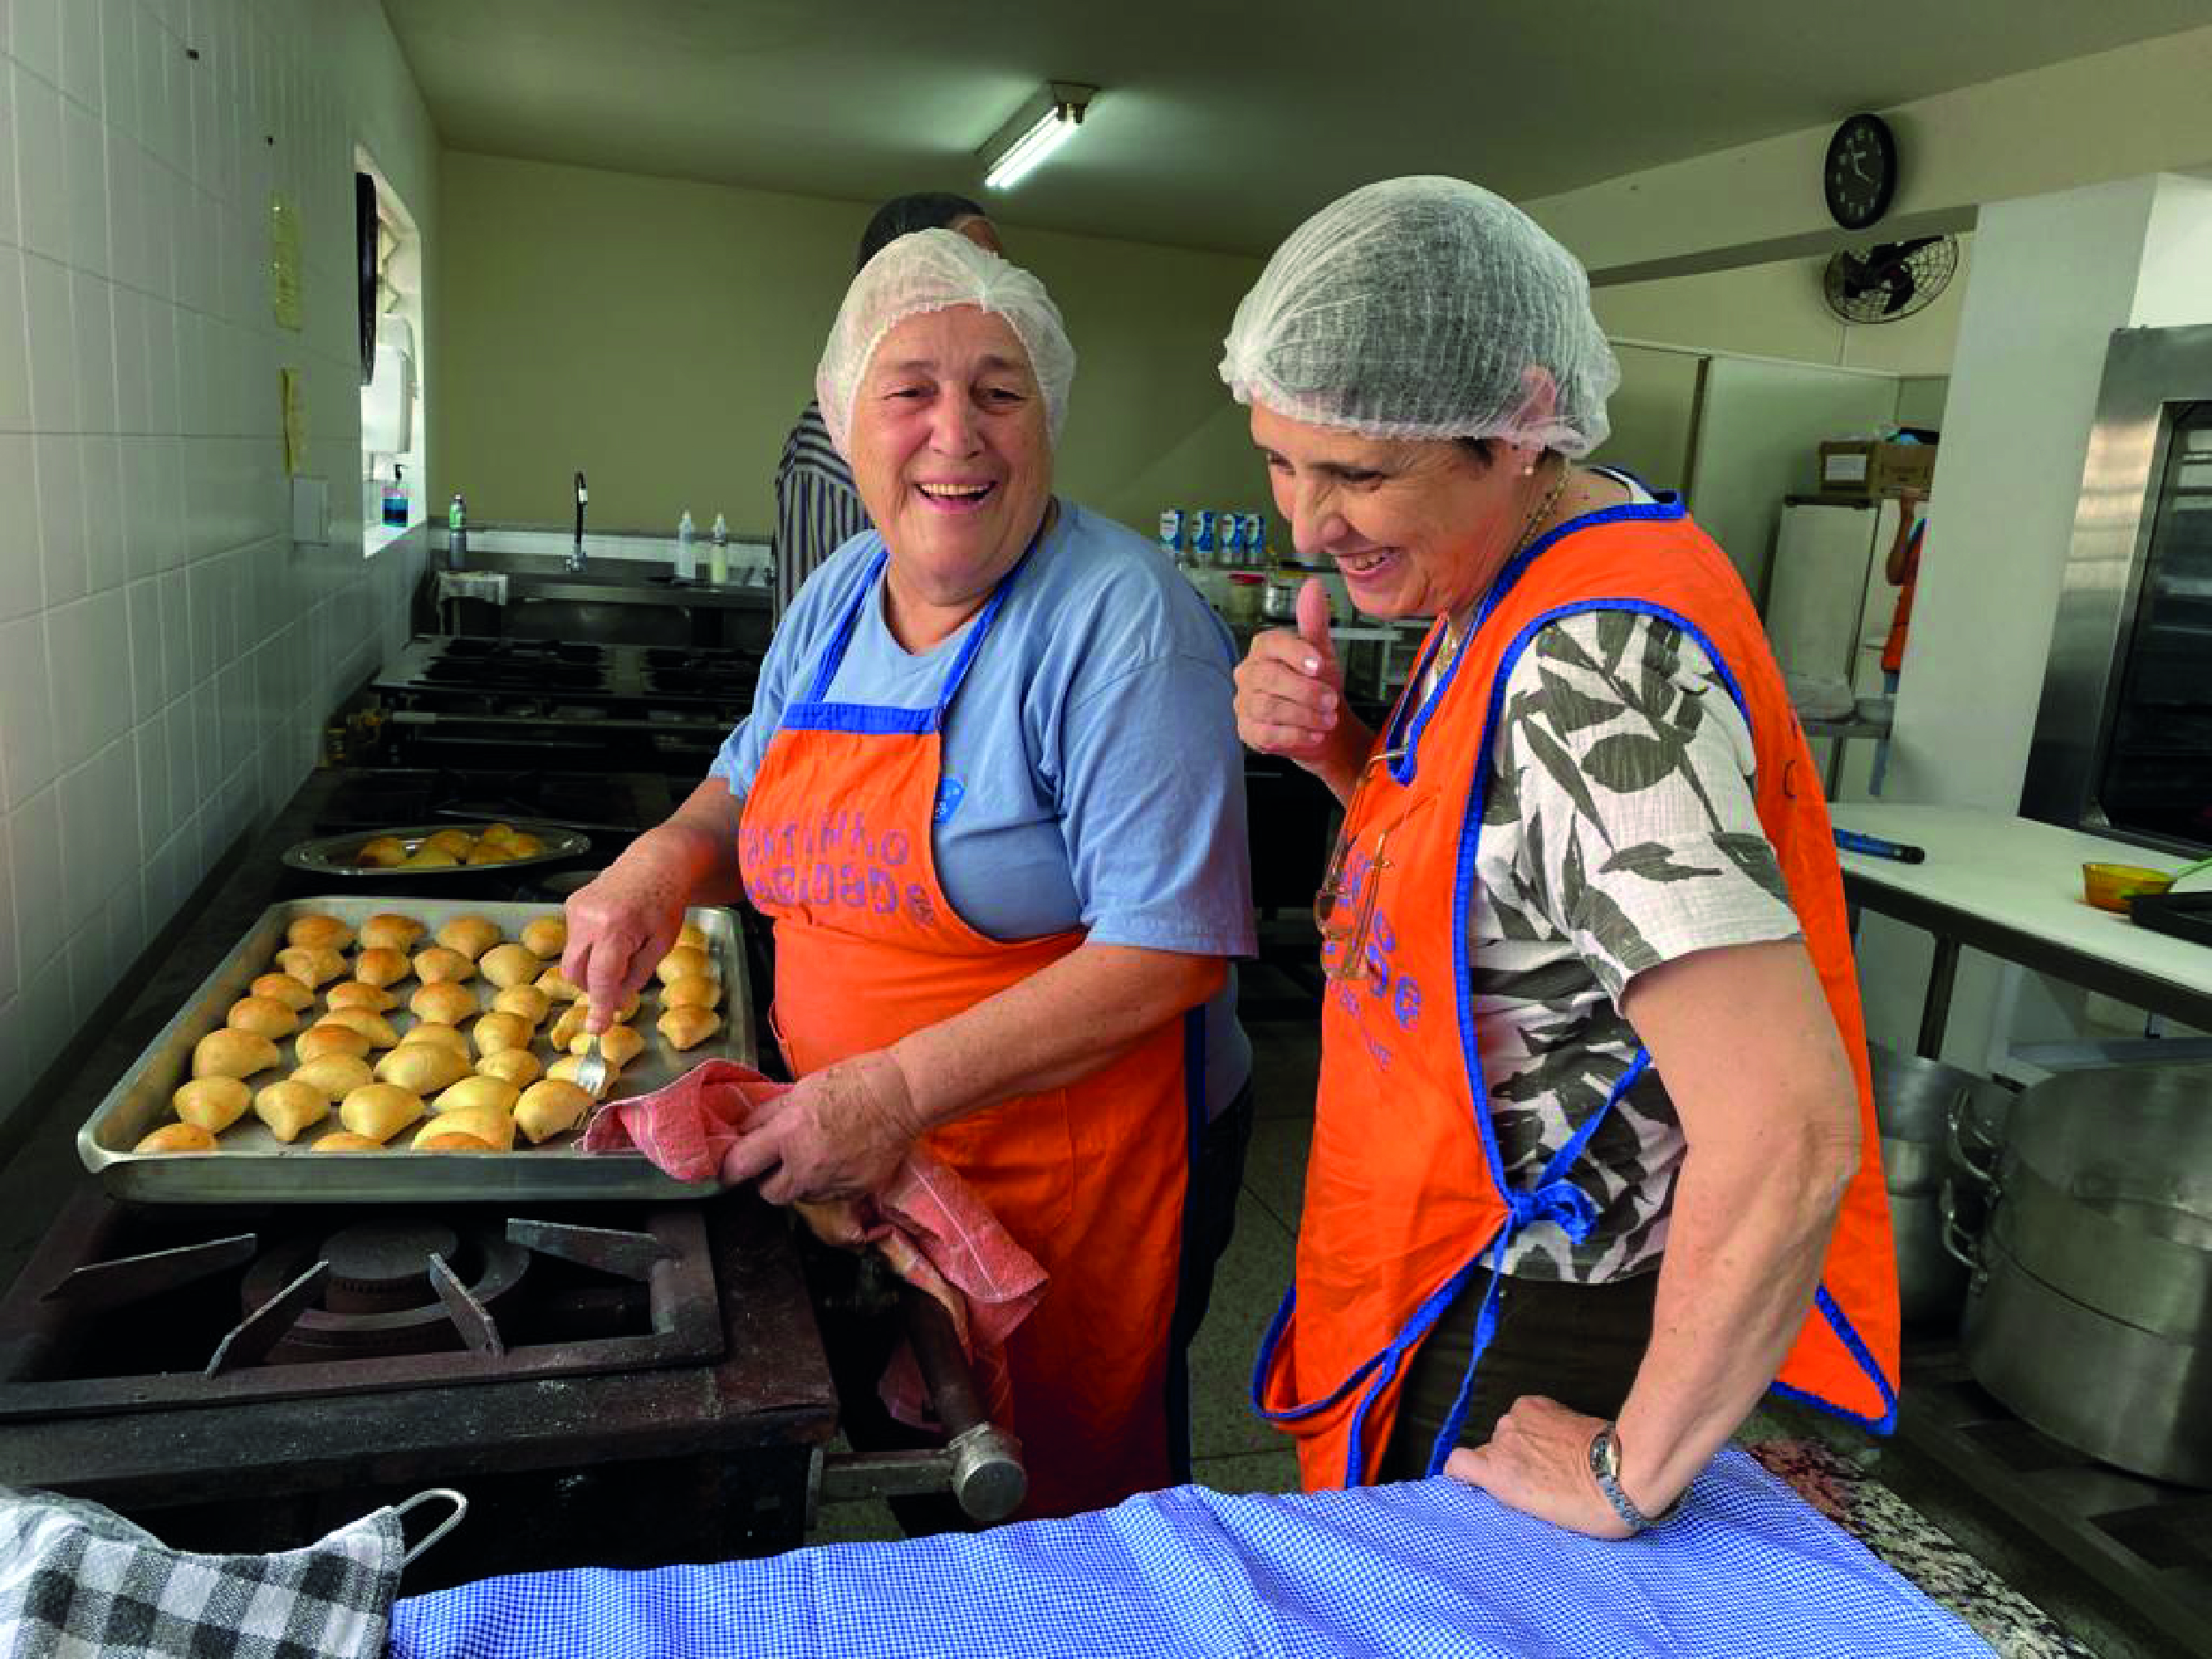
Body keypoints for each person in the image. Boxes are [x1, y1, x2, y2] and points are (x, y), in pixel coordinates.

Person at [1222, 177, 1899, 1537]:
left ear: (1526, 421)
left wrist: (1622, 1468)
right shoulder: (1511, 567)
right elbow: (1517, 872)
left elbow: (1789, 1128)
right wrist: (1343, 751)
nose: (1305, 523)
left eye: (1358, 474)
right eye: (1282, 460)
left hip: (1528, 1309)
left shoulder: (1595, 663)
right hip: (1437, 1249)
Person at [567, 228, 1256, 1519]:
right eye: (911, 391)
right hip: (863, 1158)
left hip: (1069, 1176)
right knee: (925, 1485)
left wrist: (889, 1088)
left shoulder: (1123, 622)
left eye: (999, 391)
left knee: (1059, 1514)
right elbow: (743, 789)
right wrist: (662, 859)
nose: (958, 432)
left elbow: (1168, 952)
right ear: (847, 421)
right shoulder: (841, 592)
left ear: (1047, 417)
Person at [772, 194, 1004, 621]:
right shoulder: (829, 442)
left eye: (1001, 269)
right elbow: (816, 621)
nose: (997, 288)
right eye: (973, 265)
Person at [1868, 488, 1924, 796]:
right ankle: (1882, 798)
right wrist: (1906, 518)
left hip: (1932, 657)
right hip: (1901, 653)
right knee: (1890, 735)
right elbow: (1894, 574)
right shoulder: (1924, 528)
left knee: (1915, 739)